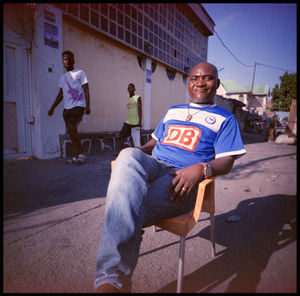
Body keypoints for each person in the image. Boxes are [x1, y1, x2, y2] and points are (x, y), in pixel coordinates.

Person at [94, 62, 246, 293]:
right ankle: (114, 275)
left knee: (124, 207)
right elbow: (153, 144)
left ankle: (111, 280)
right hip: (154, 164)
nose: (199, 83)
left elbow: (226, 161)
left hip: (182, 177)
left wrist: (201, 169)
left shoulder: (225, 119)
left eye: (207, 78)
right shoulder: (173, 111)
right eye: (194, 78)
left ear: (217, 84)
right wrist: (132, 156)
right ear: (188, 83)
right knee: (127, 156)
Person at [48, 50, 91, 164]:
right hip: (67, 108)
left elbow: (86, 90)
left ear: (73, 60)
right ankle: (77, 155)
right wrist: (53, 107)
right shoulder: (63, 77)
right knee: (72, 132)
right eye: (63, 59)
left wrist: (88, 106)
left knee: (72, 128)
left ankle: (81, 154)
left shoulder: (80, 73)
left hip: (78, 106)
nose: (65, 61)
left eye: (67, 59)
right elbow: (61, 94)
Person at [118, 83, 142, 151]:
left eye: (131, 88)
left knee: (137, 143)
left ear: (134, 89)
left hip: (135, 123)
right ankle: (122, 152)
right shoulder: (128, 100)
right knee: (121, 135)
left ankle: (139, 154)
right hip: (128, 122)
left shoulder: (137, 97)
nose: (130, 89)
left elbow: (140, 110)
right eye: (129, 88)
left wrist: (140, 122)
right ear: (127, 90)